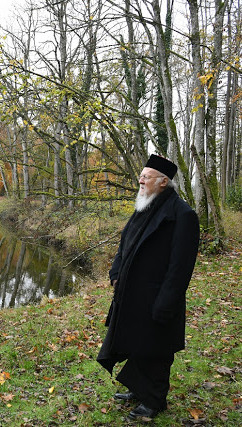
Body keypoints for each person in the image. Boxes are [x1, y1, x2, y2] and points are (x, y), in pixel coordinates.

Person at [97, 154, 200, 420]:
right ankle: (137, 388)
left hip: (158, 297)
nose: (140, 180)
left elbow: (180, 268)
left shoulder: (183, 215)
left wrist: (166, 303)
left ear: (163, 182)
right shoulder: (144, 206)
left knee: (157, 350)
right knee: (136, 342)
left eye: (147, 176)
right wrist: (116, 272)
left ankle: (153, 401)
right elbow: (125, 244)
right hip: (132, 294)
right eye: (141, 175)